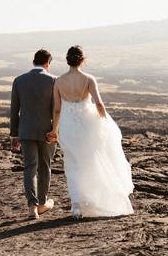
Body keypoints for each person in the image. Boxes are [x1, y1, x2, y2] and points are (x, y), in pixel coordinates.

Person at [50, 45, 133, 218]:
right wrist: (105, 123)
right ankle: (94, 201)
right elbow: (99, 104)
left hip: (68, 126)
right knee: (92, 161)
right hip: (88, 126)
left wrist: (54, 129)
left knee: (73, 164)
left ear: (68, 60)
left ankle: (77, 206)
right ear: (82, 60)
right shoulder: (88, 79)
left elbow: (57, 109)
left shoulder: (58, 81)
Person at [9, 49, 57, 219]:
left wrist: (14, 135)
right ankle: (43, 203)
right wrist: (56, 130)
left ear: (33, 62)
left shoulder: (19, 81)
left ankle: (32, 207)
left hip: (25, 131)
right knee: (45, 166)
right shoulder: (53, 81)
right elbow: (56, 110)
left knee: (30, 168)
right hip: (48, 132)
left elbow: (14, 110)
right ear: (47, 63)